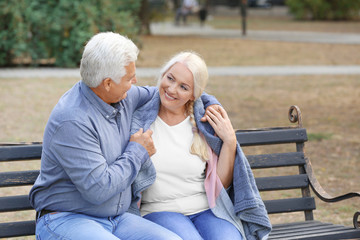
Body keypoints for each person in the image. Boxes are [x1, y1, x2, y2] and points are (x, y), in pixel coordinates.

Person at [28, 32, 219, 240]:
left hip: (116, 219)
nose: (135, 82)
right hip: (68, 218)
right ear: (108, 83)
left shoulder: (123, 97)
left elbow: (166, 94)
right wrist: (138, 151)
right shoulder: (72, 120)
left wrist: (209, 103)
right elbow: (99, 189)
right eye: (129, 78)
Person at [129, 51, 272, 240]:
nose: (172, 89)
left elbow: (221, 184)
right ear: (162, 75)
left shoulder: (202, 122)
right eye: (170, 78)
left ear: (193, 95)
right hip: (159, 210)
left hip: (207, 210)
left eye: (183, 87)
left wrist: (229, 142)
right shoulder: (140, 118)